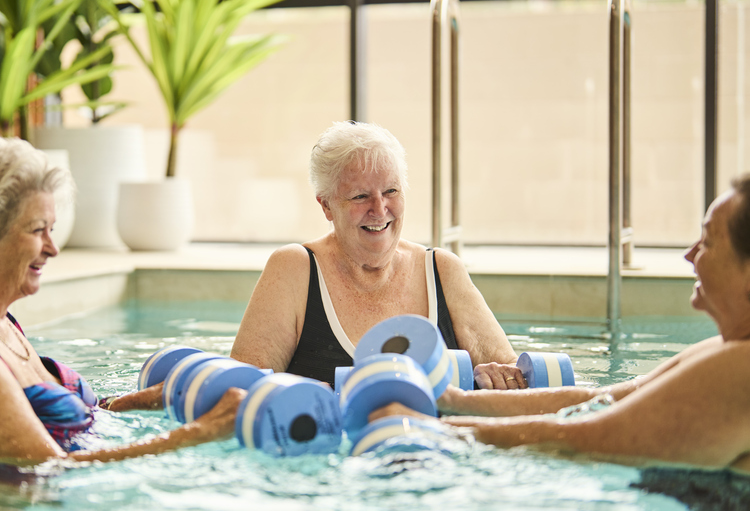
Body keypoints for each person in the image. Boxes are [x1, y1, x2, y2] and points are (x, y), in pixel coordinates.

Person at [370, 175, 750, 473]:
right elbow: (597, 402)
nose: (689, 255)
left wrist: (430, 430)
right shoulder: (722, 350)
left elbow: (587, 437)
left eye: (709, 242)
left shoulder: (740, 369)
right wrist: (453, 401)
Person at [0, 139, 243, 466]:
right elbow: (51, 464)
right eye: (37, 230)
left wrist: (149, 399)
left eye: (52, 229)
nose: (53, 248)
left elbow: (66, 421)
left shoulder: (8, 323)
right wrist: (202, 431)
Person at [231, 121, 522, 389]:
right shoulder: (294, 270)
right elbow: (239, 395)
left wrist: (496, 380)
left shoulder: (442, 271)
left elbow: (515, 376)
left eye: (391, 191)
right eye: (360, 196)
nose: (380, 209)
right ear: (326, 206)